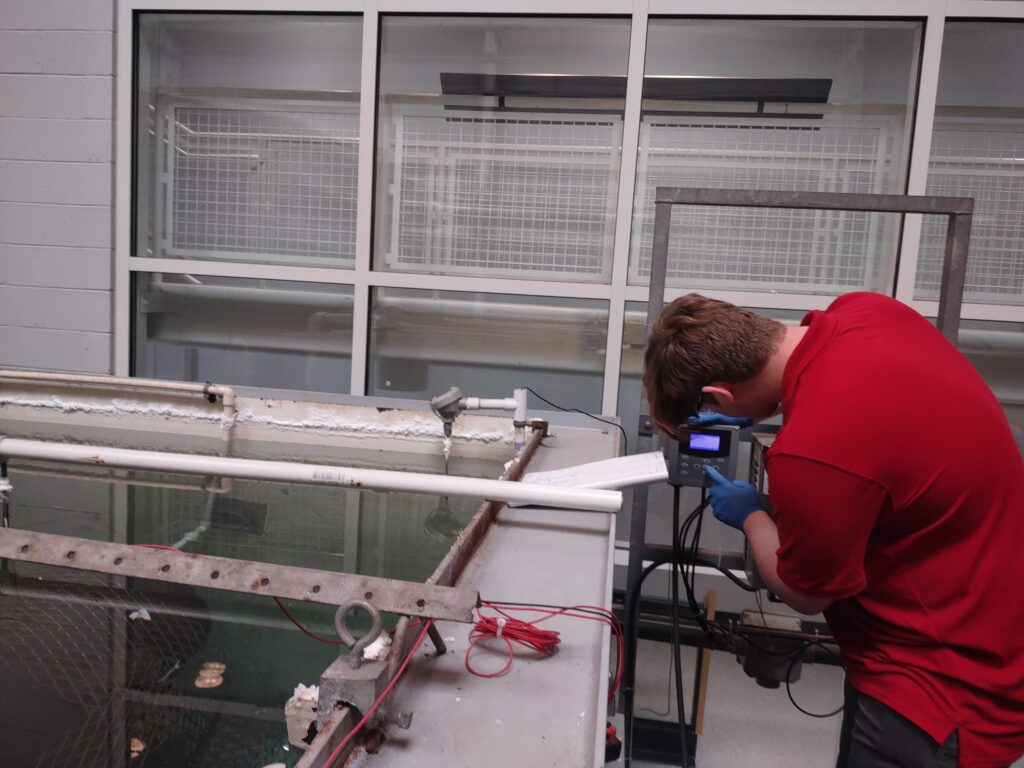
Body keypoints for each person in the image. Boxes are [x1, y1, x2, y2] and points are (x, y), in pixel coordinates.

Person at [643, 292, 1024, 768]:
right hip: (993, 628)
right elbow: (870, 414)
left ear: (718, 397)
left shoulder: (810, 453)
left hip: (933, 694)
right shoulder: (867, 311)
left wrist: (752, 515)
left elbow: (808, 594)